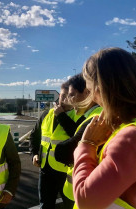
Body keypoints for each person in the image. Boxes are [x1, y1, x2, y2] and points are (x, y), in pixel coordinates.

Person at [73, 47, 136, 209]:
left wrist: (87, 144)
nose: (92, 98)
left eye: (90, 90)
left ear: (100, 88)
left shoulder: (131, 138)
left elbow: (86, 201)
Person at [29, 80, 83, 209]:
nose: (63, 100)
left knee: (71, 205)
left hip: (66, 173)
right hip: (45, 171)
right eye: (62, 96)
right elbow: (34, 136)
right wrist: (34, 154)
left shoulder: (79, 116)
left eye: (68, 96)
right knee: (45, 205)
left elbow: (77, 136)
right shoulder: (46, 114)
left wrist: (61, 116)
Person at [54, 74, 102, 204]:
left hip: (85, 194)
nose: (68, 100)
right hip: (78, 191)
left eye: (72, 94)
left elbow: (64, 152)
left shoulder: (96, 118)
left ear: (87, 93)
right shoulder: (88, 116)